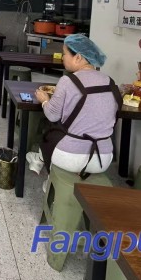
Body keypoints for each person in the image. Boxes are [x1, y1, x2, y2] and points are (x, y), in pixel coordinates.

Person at [27, 34, 122, 179]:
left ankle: (48, 176)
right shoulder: (110, 82)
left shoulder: (68, 81)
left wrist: (45, 100)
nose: (62, 57)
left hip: (70, 157)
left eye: (65, 53)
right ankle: (44, 165)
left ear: (78, 57)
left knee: (51, 131)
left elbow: (52, 115)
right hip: (103, 158)